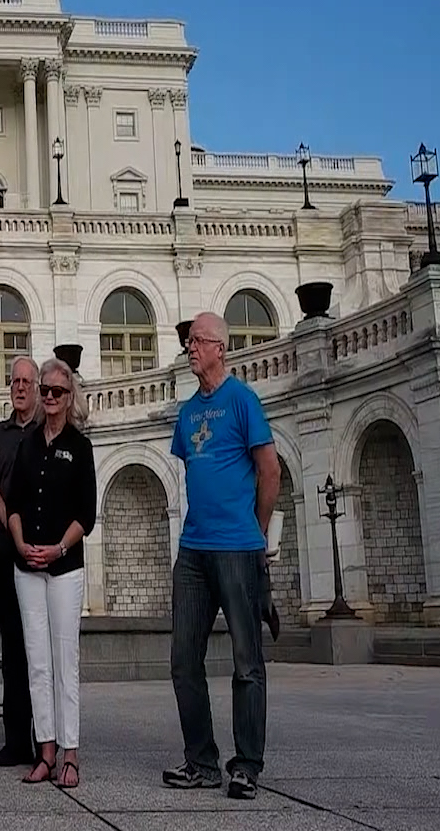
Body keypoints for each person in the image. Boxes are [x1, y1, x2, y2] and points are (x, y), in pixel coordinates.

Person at [163, 310, 279, 800]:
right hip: (193, 549)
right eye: (189, 341)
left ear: (220, 348)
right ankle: (201, 761)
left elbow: (269, 471)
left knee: (246, 661)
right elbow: (192, 471)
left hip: (237, 546)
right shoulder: (188, 412)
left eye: (198, 341)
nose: (191, 348)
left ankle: (247, 764)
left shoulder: (243, 400)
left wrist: (256, 530)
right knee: (182, 659)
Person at [7, 356, 96, 790]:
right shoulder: (28, 444)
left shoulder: (80, 447)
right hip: (28, 566)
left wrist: (59, 547)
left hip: (63, 566)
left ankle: (71, 753)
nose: (49, 397)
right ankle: (45, 750)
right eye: (45, 390)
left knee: (65, 661)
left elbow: (87, 514)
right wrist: (21, 543)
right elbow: (15, 503)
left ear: (69, 395)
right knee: (37, 662)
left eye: (57, 391)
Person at [0, 354, 39, 767]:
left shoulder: (48, 430)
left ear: (36, 388)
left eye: (25, 382)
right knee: (14, 647)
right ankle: (18, 740)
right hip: (5, 548)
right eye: (13, 381)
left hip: (42, 549)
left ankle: (47, 739)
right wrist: (8, 521)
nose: (18, 387)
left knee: (40, 650)